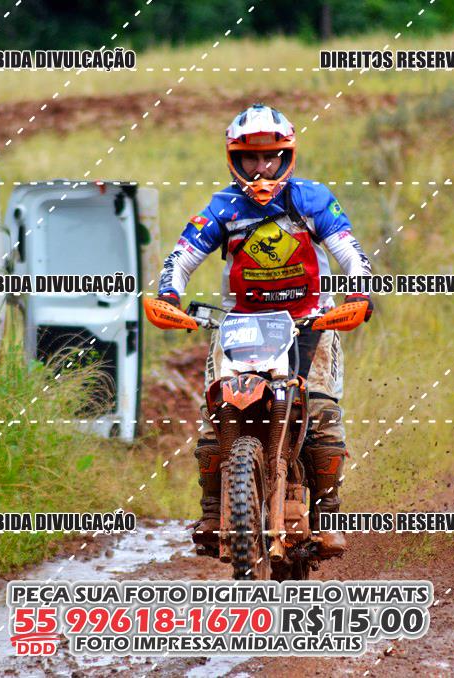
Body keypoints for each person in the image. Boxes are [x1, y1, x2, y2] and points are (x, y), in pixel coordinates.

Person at [157, 103, 372, 556]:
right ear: (234, 160)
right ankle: (213, 510)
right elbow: (182, 256)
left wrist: (360, 293)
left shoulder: (312, 200)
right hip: (241, 325)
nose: (261, 168)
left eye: (270, 157)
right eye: (250, 158)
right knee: (216, 417)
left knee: (322, 414)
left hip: (310, 321)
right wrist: (169, 295)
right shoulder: (223, 207)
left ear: (286, 156)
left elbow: (349, 251)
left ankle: (328, 514)